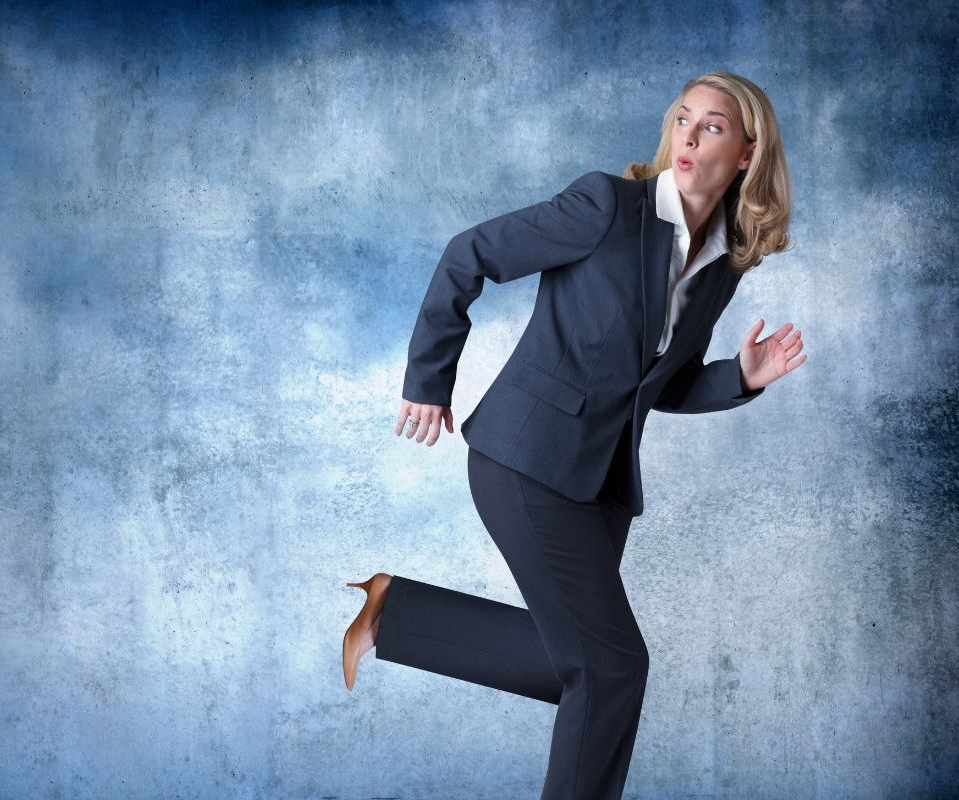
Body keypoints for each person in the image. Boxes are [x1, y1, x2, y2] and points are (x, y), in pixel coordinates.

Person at [341, 71, 806, 799]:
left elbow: (660, 385)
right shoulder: (607, 206)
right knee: (613, 668)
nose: (689, 135)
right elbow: (470, 253)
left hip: (602, 488)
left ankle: (395, 615)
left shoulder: (725, 264)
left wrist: (741, 377)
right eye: (683, 118)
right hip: (526, 461)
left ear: (747, 152)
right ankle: (397, 616)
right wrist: (428, 380)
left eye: (712, 126)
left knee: (578, 662)